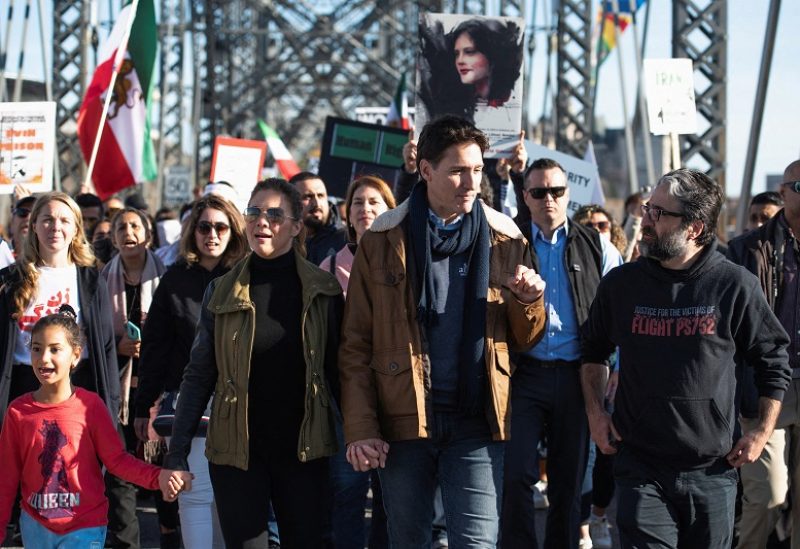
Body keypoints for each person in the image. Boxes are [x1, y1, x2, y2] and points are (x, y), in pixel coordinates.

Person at [339, 115, 546, 548]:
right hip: (404, 421)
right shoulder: (382, 238)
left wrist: (529, 304)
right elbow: (355, 343)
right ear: (426, 169)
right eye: (457, 170)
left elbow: (524, 340)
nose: (470, 181)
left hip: (478, 420)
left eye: (476, 169)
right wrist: (362, 427)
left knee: (477, 543)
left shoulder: (506, 237)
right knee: (409, 540)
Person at [581, 168, 792, 549]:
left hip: (712, 471)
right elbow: (593, 350)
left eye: (658, 213)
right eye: (648, 208)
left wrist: (761, 432)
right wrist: (597, 414)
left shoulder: (734, 284)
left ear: (693, 228)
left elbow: (773, 358)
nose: (645, 220)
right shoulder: (621, 285)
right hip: (640, 465)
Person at [164, 178, 344, 548]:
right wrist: (177, 453)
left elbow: (340, 375)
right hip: (237, 454)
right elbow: (199, 374)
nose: (262, 221)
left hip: (304, 451)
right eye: (254, 212)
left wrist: (361, 435)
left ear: (297, 226)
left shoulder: (324, 290)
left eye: (275, 214)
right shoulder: (222, 289)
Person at [502, 159, 622, 549]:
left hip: (578, 375)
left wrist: (615, 368)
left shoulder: (597, 246)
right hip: (524, 373)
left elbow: (616, 313)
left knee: (569, 480)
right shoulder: (507, 242)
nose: (548, 199)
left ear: (568, 195)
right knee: (515, 471)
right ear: (526, 196)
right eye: (538, 192)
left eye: (556, 191)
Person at [0, 306, 191, 548]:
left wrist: (158, 477)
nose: (44, 358)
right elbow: (6, 477)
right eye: (36, 349)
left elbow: (118, 461)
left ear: (76, 355)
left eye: (55, 349)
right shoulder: (18, 411)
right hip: (35, 527)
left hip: (85, 527)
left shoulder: (91, 407)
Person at [133, 195, 247, 549]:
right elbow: (155, 348)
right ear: (192, 232)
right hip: (188, 402)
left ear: (233, 231)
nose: (211, 234)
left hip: (241, 403)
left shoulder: (248, 276)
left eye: (220, 227)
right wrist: (142, 407)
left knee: (229, 496)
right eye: (203, 227)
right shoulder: (174, 280)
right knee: (194, 491)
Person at [727, 160, 800, 549]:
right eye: (799, 185)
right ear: (784, 191)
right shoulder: (746, 250)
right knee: (767, 495)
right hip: (767, 385)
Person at [320, 175, 396, 549]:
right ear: (347, 215)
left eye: (374, 203)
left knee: (392, 498)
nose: (365, 209)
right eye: (358, 203)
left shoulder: (407, 260)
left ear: (390, 211)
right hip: (345, 397)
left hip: (397, 397)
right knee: (347, 492)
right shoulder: (330, 266)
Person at [100, 207, 173, 548]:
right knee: (120, 475)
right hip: (118, 399)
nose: (128, 232)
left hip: (159, 395)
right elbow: (91, 338)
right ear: (113, 238)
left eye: (134, 226)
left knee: (164, 472)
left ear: (147, 234)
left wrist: (153, 346)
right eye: (121, 228)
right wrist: (119, 346)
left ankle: (171, 537)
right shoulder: (100, 282)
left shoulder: (168, 278)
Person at [418, 17, 523, 124]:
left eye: (470, 52)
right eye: (456, 54)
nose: (460, 60)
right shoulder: (449, 104)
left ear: (491, 56)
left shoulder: (507, 105)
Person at [289, 171, 347, 265]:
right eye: (308, 197)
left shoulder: (346, 241)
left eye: (321, 196)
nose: (317, 203)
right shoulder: (279, 239)